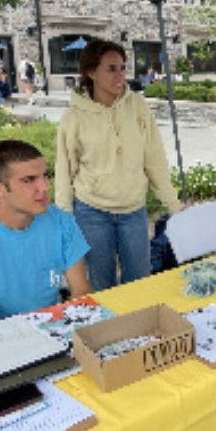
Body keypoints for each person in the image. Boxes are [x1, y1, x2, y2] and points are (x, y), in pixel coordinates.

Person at [55, 38, 184, 291]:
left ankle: (138, 329)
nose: (120, 75)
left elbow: (154, 158)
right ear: (91, 72)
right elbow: (64, 171)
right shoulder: (74, 117)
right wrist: (64, 220)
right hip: (91, 212)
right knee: (101, 287)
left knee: (139, 283)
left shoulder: (137, 106)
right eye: (111, 69)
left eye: (122, 68)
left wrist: (173, 204)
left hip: (133, 211)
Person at [0, 140, 92, 332]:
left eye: (45, 176)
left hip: (52, 331)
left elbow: (82, 292)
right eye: (29, 180)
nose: (44, 187)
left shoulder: (62, 222)